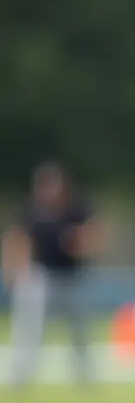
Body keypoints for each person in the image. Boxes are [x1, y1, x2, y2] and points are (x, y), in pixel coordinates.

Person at [2, 161, 102, 387]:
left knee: (80, 332)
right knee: (29, 329)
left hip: (72, 277)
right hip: (42, 276)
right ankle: (20, 377)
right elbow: (17, 240)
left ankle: (85, 378)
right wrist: (15, 272)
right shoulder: (32, 212)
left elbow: (94, 235)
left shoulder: (76, 210)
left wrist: (81, 241)